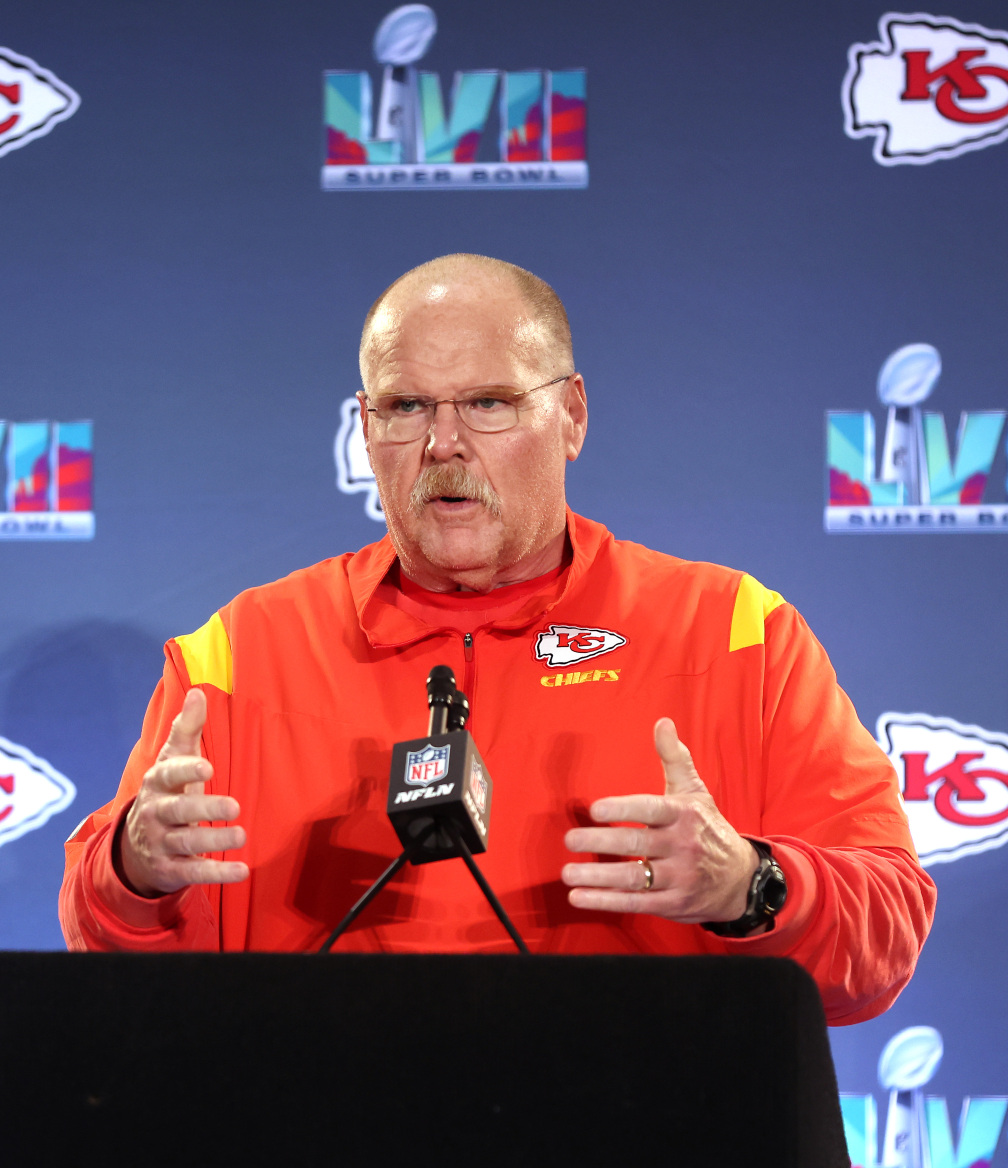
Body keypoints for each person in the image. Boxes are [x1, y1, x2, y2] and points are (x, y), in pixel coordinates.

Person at [59, 254, 933, 1023]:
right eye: (406, 407)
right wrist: (134, 868)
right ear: (365, 431)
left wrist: (749, 884)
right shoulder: (238, 655)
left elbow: (886, 933)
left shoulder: (739, 633)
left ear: (573, 416)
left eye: (488, 402)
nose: (445, 443)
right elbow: (101, 950)